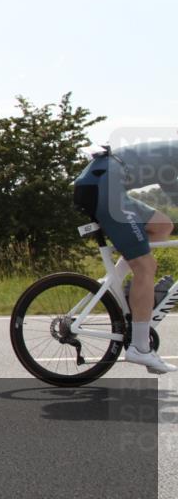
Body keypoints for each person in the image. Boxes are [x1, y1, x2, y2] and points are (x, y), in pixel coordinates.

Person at [74, 140, 178, 374]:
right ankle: (140, 349)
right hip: (106, 187)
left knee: (162, 226)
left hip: (103, 184)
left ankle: (113, 284)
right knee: (145, 267)